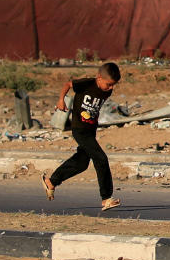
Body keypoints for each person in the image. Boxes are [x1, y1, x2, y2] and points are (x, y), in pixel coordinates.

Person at [42, 62, 122, 210]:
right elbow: (68, 84)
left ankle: (52, 182)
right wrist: (61, 100)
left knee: (81, 162)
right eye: (109, 84)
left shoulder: (106, 91)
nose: (111, 88)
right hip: (79, 129)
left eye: (113, 85)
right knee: (101, 158)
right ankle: (106, 198)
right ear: (99, 77)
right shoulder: (86, 83)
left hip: (91, 130)